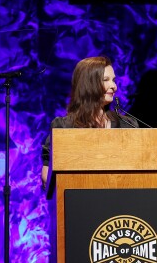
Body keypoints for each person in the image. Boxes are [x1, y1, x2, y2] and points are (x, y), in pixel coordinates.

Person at [41, 56, 138, 187]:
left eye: (113, 80)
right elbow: (47, 176)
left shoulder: (127, 125)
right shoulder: (64, 127)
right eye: (106, 80)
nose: (114, 86)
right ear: (88, 85)